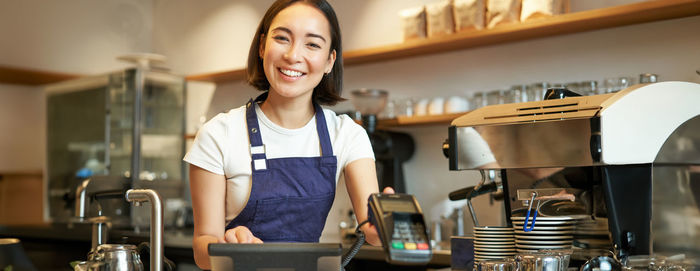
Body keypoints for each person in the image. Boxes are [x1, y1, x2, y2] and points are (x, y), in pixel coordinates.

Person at [183, 0, 390, 269]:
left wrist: (388, 225)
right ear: (262, 47)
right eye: (282, 38)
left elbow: (370, 230)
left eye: (312, 44)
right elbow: (202, 246)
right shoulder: (218, 134)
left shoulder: (348, 135)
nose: (293, 55)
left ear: (329, 61)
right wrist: (228, 247)